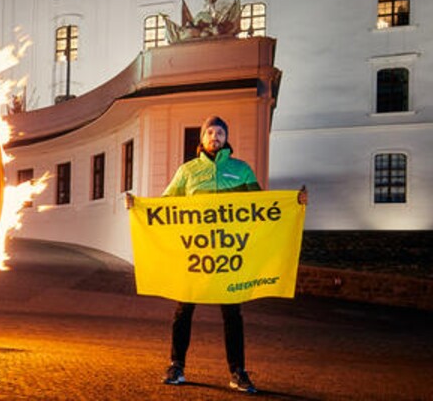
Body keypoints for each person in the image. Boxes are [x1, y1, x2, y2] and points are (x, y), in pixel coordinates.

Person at [126, 115, 306, 394]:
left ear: (226, 138)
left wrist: (293, 203)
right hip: (195, 255)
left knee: (233, 314)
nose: (215, 136)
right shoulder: (187, 172)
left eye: (220, 132)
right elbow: (166, 205)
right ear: (202, 138)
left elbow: (262, 207)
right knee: (183, 311)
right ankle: (176, 366)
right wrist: (138, 207)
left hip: (229, 256)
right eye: (210, 132)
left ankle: (238, 372)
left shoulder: (241, 170)